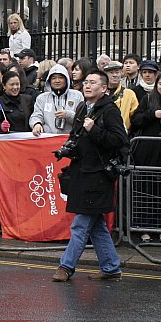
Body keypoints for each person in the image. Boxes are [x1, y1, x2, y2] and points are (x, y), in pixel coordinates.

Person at [52, 69, 129, 282]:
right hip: (81, 173)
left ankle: (66, 267)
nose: (87, 85)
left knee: (80, 224)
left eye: (93, 83)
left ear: (104, 88)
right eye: (86, 82)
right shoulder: (81, 108)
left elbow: (120, 141)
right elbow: (76, 138)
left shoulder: (109, 111)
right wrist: (67, 150)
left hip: (98, 177)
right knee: (97, 226)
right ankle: (112, 267)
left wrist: (94, 130)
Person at [130, 70, 161, 241]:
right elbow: (135, 119)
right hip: (147, 152)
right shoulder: (149, 99)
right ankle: (144, 227)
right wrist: (153, 114)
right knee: (145, 191)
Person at [29, 64, 83, 136]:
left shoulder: (77, 95)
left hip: (70, 139)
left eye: (60, 78)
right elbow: (36, 115)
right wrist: (36, 124)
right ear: (49, 80)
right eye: (53, 78)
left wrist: (68, 115)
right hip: (48, 139)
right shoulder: (42, 98)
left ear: (66, 79)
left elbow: (82, 119)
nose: (57, 81)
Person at [102, 61, 139, 132]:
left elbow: (135, 116)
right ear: (106, 75)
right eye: (111, 73)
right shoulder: (100, 92)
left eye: (117, 72)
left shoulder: (129, 94)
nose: (115, 75)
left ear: (121, 73)